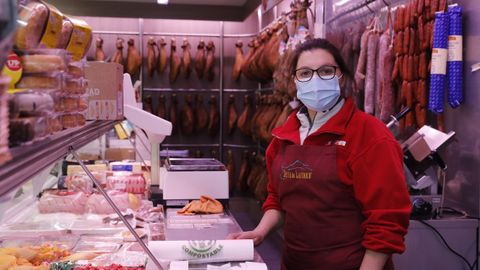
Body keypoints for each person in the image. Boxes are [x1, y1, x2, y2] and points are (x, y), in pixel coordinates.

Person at [228, 38, 411, 270]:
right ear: (295, 81)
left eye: (325, 71)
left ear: (341, 76)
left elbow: (386, 220)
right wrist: (260, 231)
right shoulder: (284, 136)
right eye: (305, 73)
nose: (315, 80)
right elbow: (278, 200)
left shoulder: (370, 135)